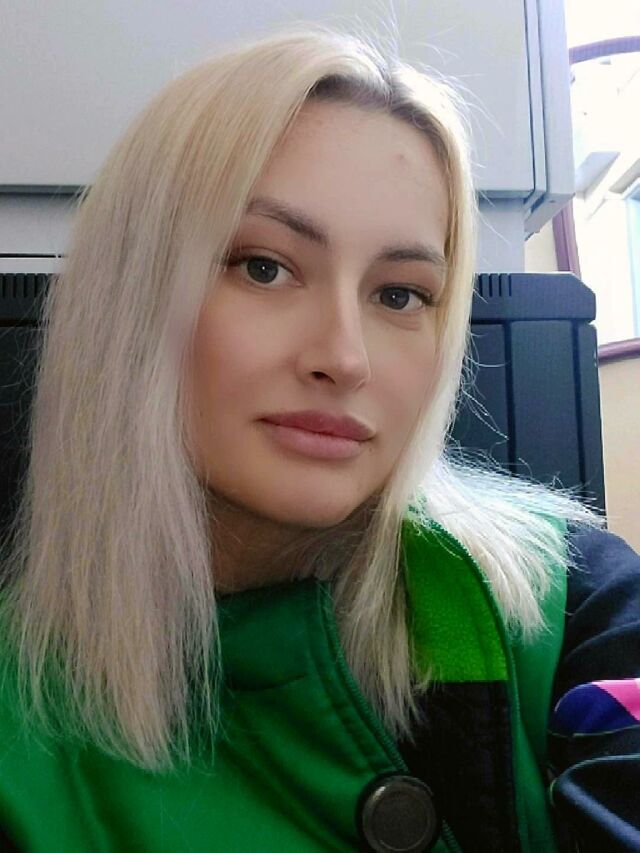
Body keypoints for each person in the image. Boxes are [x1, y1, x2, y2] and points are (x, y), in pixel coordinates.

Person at [0, 23, 637, 853]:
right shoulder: (19, 724)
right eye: (264, 266)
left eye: (400, 294)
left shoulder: (576, 606)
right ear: (130, 300)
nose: (345, 357)